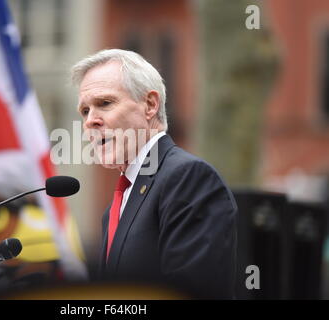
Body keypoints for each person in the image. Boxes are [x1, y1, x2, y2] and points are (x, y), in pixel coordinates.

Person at [71, 49, 238, 299]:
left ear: (150, 105)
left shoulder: (187, 178)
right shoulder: (115, 207)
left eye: (105, 103)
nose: (90, 121)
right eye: (85, 111)